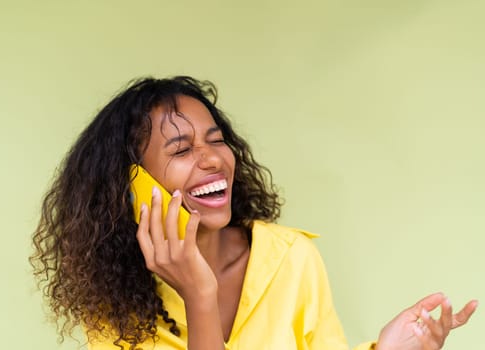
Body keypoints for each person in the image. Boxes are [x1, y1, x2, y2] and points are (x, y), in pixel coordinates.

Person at [31, 76, 478, 350]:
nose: (213, 160)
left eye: (216, 139)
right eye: (182, 149)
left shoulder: (292, 257)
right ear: (131, 187)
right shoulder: (113, 308)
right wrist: (199, 296)